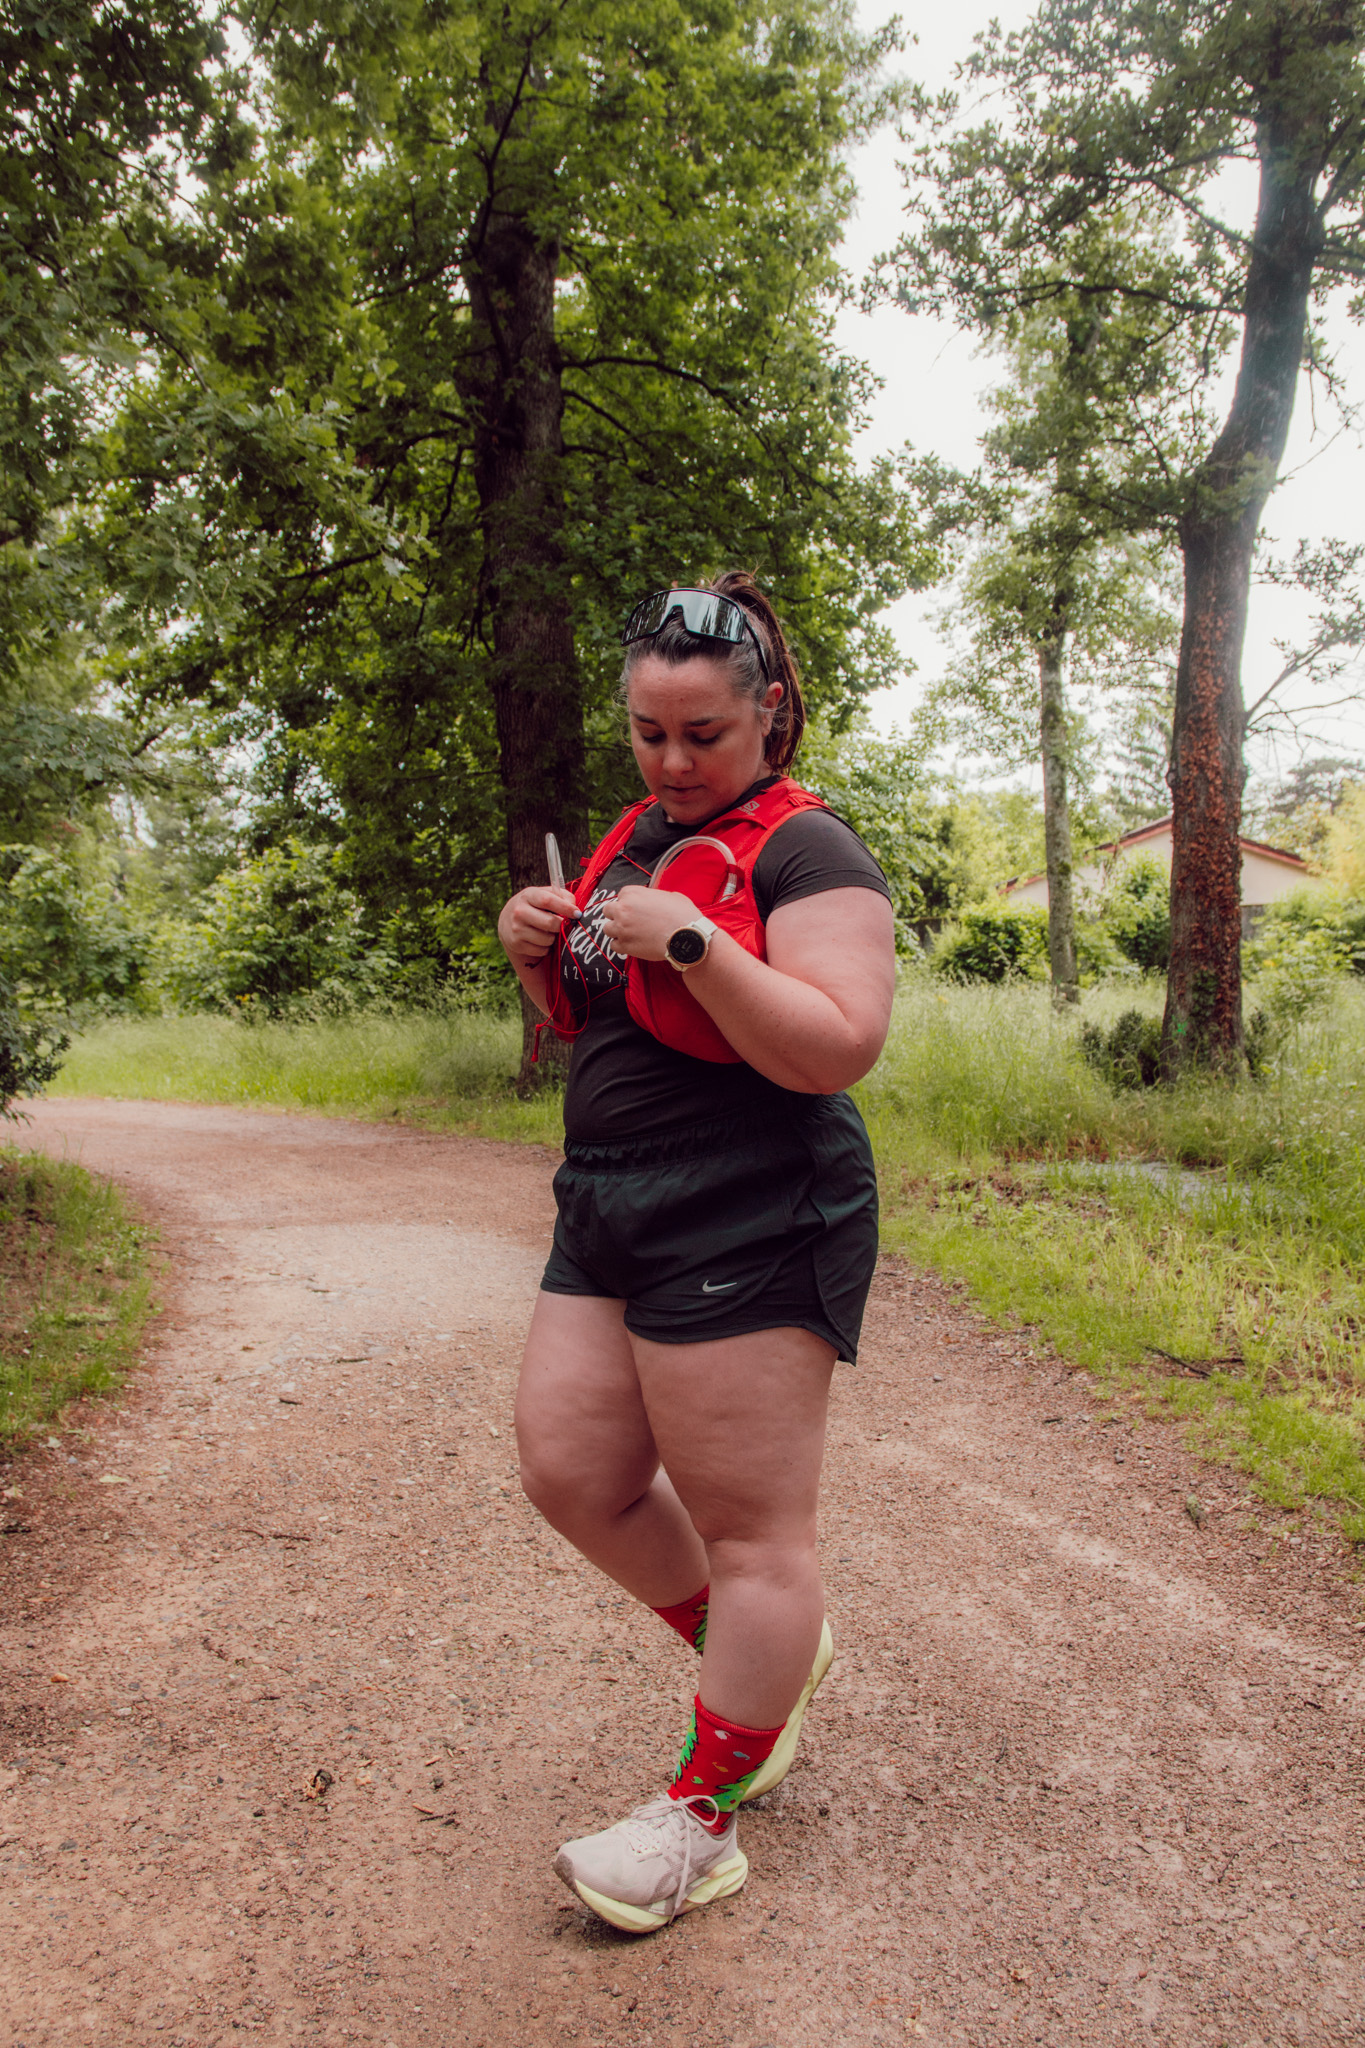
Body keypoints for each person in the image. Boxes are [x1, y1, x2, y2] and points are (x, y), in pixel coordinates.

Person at [497, 573, 895, 1933]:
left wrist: (691, 942)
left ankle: (697, 1823)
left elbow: (836, 1041)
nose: (670, 761)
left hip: (754, 1198)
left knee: (750, 1533)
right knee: (572, 1469)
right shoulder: (631, 838)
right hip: (606, 1197)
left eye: (701, 735)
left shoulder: (807, 852)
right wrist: (533, 947)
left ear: (767, 716)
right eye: (648, 734)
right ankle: (759, 1671)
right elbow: (597, 1014)